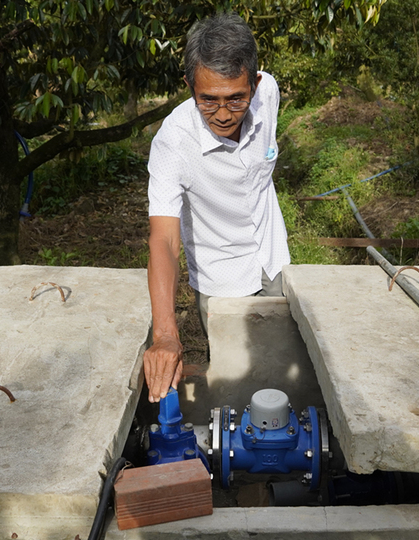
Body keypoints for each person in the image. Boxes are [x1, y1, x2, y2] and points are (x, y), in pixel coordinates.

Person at [144, 13, 290, 403]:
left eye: (236, 99)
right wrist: (165, 335)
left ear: (255, 84)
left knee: (287, 372)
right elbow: (164, 238)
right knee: (235, 388)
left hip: (274, 260)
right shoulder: (173, 143)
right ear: (189, 86)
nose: (223, 114)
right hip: (222, 277)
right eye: (208, 100)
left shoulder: (268, 94)